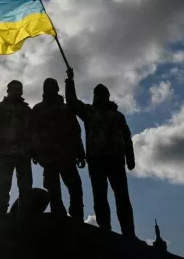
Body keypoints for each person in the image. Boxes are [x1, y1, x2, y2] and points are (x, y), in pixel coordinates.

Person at [65, 67, 136, 238]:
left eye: (103, 94)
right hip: (96, 160)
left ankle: (129, 233)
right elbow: (73, 102)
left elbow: (127, 137)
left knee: (122, 197)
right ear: (94, 96)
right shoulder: (89, 112)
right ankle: (105, 230)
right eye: (97, 94)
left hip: (116, 160)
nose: (101, 97)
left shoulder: (118, 116)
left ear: (107, 96)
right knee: (100, 196)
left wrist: (130, 157)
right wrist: (70, 81)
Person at [31, 77, 86, 220]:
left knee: (75, 188)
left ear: (57, 89)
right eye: (48, 87)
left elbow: (76, 131)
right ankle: (58, 214)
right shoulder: (38, 109)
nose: (51, 90)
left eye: (53, 87)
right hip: (48, 157)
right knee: (54, 189)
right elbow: (32, 132)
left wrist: (80, 152)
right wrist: (35, 152)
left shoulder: (66, 109)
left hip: (67, 155)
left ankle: (77, 216)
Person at [0, 80, 33, 215]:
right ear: (8, 90)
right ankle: (1, 212)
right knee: (4, 185)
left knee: (25, 186)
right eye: (13, 89)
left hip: (23, 153)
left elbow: (33, 131)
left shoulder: (26, 110)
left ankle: (24, 212)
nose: (16, 91)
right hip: (5, 152)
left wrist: (33, 150)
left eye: (19, 89)